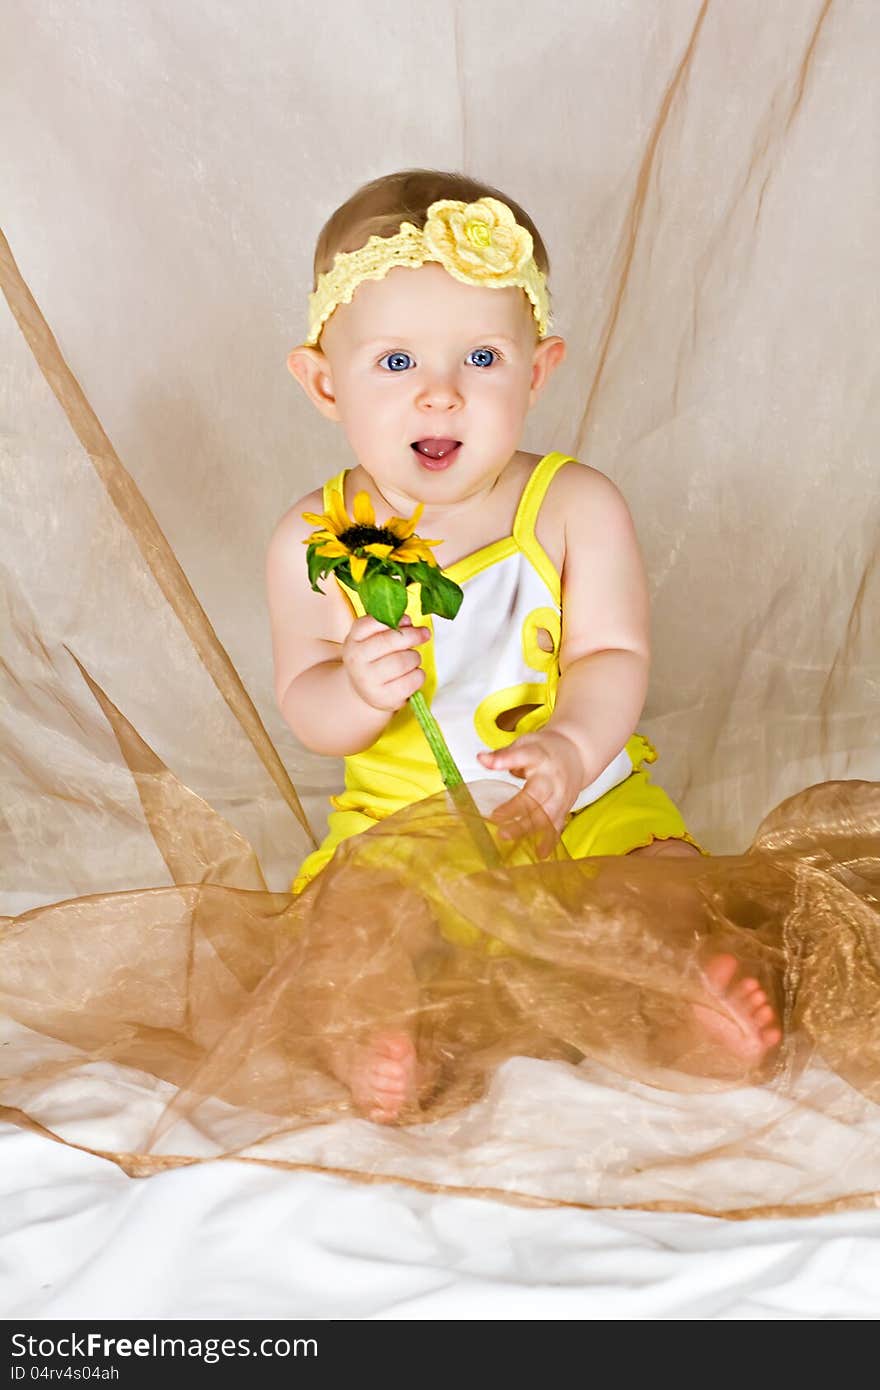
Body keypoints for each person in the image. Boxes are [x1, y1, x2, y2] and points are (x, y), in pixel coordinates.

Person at [266, 168, 781, 1122]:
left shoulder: (576, 507)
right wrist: (357, 688)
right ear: (322, 380)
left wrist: (573, 749)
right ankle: (373, 1036)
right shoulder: (312, 538)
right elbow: (307, 705)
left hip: (581, 803)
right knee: (350, 932)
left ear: (538, 370)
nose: (441, 397)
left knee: (659, 892)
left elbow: (611, 656)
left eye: (482, 360)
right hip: (402, 822)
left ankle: (684, 1001)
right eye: (394, 365)